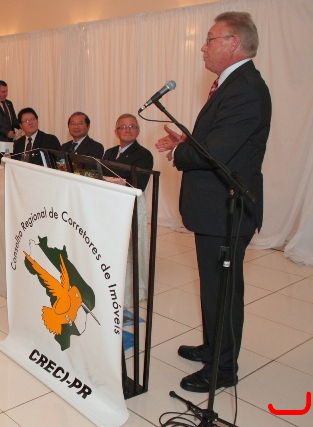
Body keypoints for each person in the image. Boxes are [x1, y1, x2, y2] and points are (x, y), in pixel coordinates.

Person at [155, 11, 271, 393]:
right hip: (214, 208)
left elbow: (215, 153)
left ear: (234, 42)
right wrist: (187, 143)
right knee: (212, 286)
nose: (203, 48)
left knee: (222, 291)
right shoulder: (231, 84)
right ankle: (213, 347)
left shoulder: (245, 89)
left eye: (209, 39)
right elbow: (216, 142)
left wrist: (180, 152)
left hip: (227, 210)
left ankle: (222, 367)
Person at [103, 114, 154, 191]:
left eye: (132, 126)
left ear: (138, 131)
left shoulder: (144, 154)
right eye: (123, 127)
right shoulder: (109, 152)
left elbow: (138, 185)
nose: (128, 130)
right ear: (116, 133)